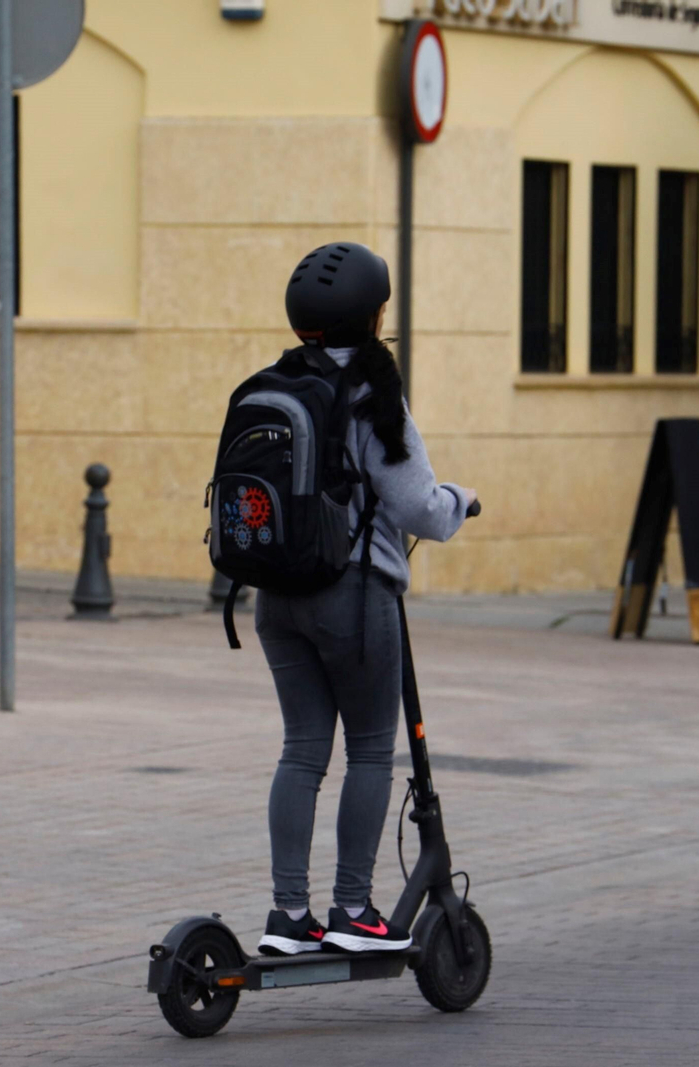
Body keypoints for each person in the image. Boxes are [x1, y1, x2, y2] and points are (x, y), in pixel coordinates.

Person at [253, 243, 476, 957]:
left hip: (275, 596)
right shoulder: (372, 393)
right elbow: (418, 506)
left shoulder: (273, 383)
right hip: (351, 595)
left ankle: (289, 913)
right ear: (372, 315)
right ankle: (354, 908)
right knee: (373, 749)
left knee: (303, 749)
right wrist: (461, 503)